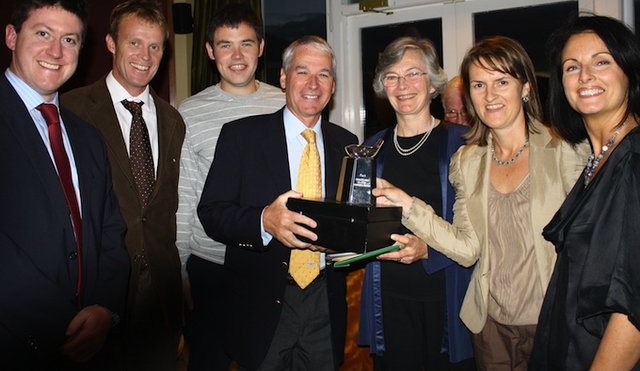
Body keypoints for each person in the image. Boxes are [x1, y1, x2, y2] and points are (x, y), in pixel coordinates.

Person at [372, 36, 589, 370]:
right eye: (478, 85)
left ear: (526, 88)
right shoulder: (469, 160)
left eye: (502, 81)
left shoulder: (568, 151)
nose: (490, 95)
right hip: (488, 327)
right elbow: (469, 246)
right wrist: (408, 205)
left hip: (554, 321)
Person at [197, 35, 357, 370]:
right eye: (302, 72)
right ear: (284, 78)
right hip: (262, 304)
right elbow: (211, 213)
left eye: (324, 74)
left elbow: (351, 221)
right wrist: (263, 222)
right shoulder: (241, 137)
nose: (313, 84)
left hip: (324, 303)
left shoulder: (348, 144)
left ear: (333, 84)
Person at [0, 0, 129, 369]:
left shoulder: (87, 137)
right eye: (43, 33)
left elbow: (111, 229)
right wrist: (63, 327)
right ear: (11, 36)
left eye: (69, 39)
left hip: (91, 340)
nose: (56, 52)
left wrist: (105, 308)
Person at [61, 0, 185, 369]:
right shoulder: (71, 110)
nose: (145, 55)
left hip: (161, 297)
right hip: (95, 295)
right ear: (112, 43)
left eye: (155, 46)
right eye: (134, 42)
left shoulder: (172, 120)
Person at [176, 3, 285, 370]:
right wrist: (180, 271)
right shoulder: (189, 113)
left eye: (246, 44)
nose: (237, 56)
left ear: (261, 47)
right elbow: (184, 196)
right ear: (210, 51)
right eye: (225, 45)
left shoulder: (286, 104)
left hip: (270, 267)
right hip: (211, 268)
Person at [357, 36, 475, 370]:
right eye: (391, 76)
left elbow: (479, 234)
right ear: (382, 85)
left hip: (448, 297)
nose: (402, 85)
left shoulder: (462, 144)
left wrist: (428, 250)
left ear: (432, 82)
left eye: (413, 74)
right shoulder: (371, 148)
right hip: (389, 301)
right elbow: (362, 222)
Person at [529, 14, 640, 370]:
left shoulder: (634, 161)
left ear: (629, 71)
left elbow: (633, 309)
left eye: (601, 62)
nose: (585, 76)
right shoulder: (601, 158)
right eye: (572, 67)